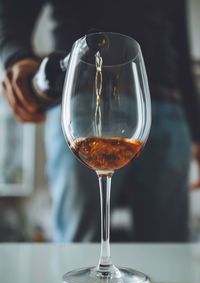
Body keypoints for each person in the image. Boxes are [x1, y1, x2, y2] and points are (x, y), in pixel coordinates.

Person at [0, 0, 200, 242]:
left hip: (167, 104)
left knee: (169, 248)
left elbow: (180, 42)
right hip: (78, 95)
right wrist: (16, 56)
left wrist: (197, 133)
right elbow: (13, 9)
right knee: (78, 247)